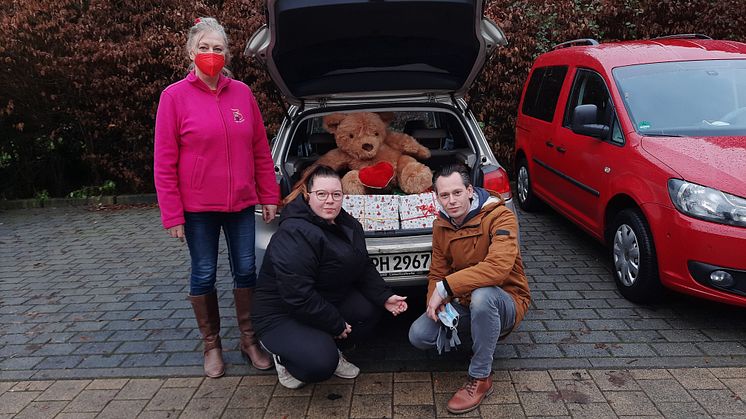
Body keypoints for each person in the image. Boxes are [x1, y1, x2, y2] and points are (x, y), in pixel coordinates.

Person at [154, 17, 279, 378]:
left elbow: (259, 149)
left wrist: (268, 194)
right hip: (197, 210)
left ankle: (249, 339)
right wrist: (172, 214)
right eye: (204, 48)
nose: (211, 54)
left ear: (227, 53)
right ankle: (211, 346)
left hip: (241, 203)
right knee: (204, 273)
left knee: (245, 269)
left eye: (218, 48)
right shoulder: (174, 97)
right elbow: (164, 162)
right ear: (191, 53)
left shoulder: (242, 93)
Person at [252, 165, 408, 389]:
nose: (330, 201)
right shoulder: (294, 232)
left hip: (321, 300)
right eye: (322, 194)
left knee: (369, 310)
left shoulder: (347, 223)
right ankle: (283, 358)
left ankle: (330, 347)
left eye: (336, 194)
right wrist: (335, 324)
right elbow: (298, 295)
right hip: (280, 313)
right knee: (320, 364)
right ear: (308, 195)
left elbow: (362, 265)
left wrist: (385, 296)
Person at [408, 164, 531, 414]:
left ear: (469, 190)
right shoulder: (441, 225)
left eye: (457, 192)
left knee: (483, 296)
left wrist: (446, 287)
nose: (451, 201)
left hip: (505, 299)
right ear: (437, 197)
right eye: (444, 195)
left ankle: (481, 376)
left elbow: (497, 268)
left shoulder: (500, 216)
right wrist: (436, 299)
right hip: (464, 300)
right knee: (419, 334)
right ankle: (482, 334)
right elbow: (438, 271)